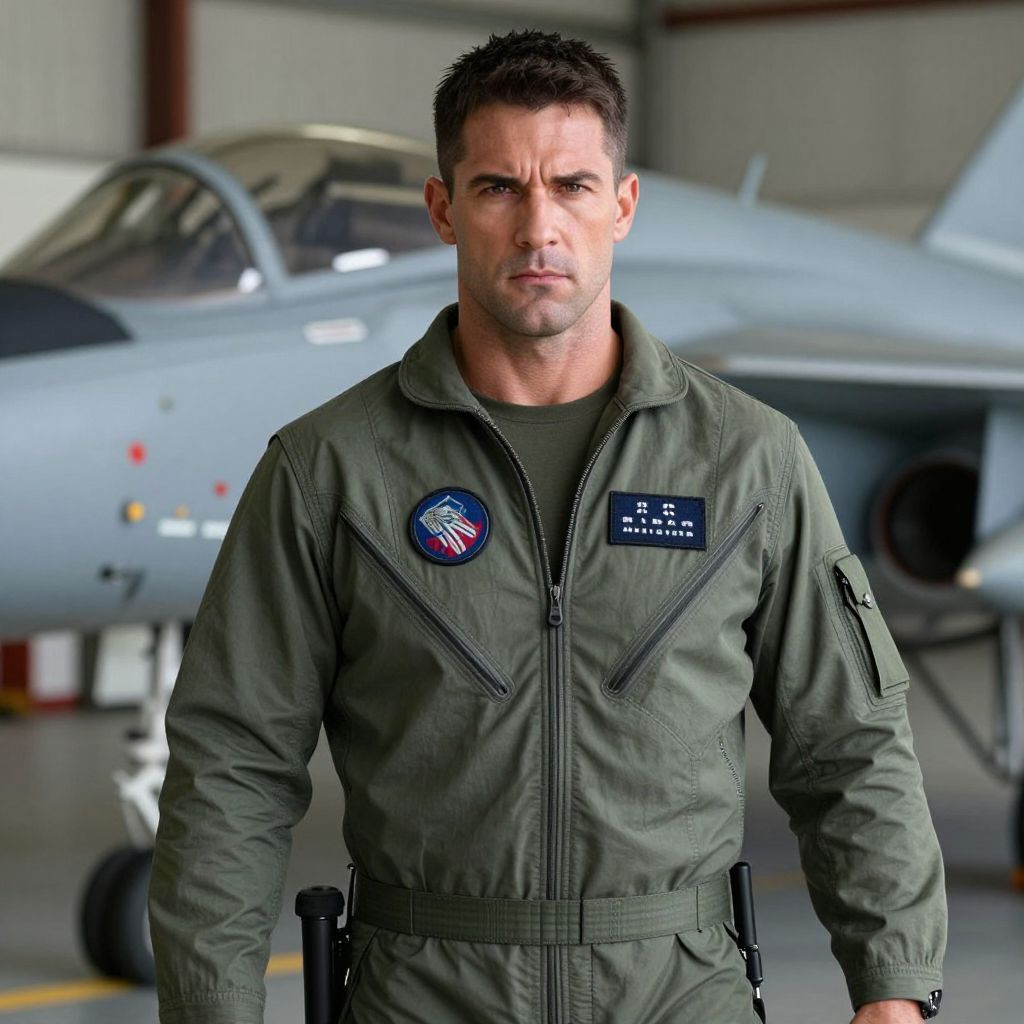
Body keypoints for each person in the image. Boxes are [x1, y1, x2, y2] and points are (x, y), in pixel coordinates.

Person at [149, 29, 947, 1024]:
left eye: (572, 186)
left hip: (677, 994)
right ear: (443, 209)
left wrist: (895, 986)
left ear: (623, 204)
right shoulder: (331, 470)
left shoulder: (748, 459)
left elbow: (849, 743)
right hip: (426, 995)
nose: (539, 228)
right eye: (498, 188)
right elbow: (231, 767)